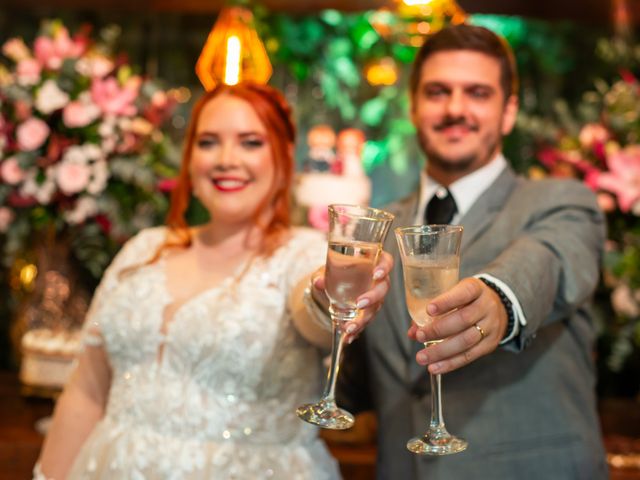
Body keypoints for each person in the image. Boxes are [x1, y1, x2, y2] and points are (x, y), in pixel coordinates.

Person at [35, 82, 392, 479]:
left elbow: (314, 307)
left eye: (250, 142)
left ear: (284, 155)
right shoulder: (142, 250)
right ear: (189, 158)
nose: (226, 159)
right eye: (208, 142)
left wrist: (335, 296)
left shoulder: (303, 252)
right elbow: (87, 391)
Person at [335, 24, 609, 479]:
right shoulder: (376, 230)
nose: (455, 109)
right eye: (438, 92)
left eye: (477, 93)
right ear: (414, 106)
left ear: (508, 112)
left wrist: (497, 299)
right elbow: (357, 382)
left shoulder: (560, 202)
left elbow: (551, 261)